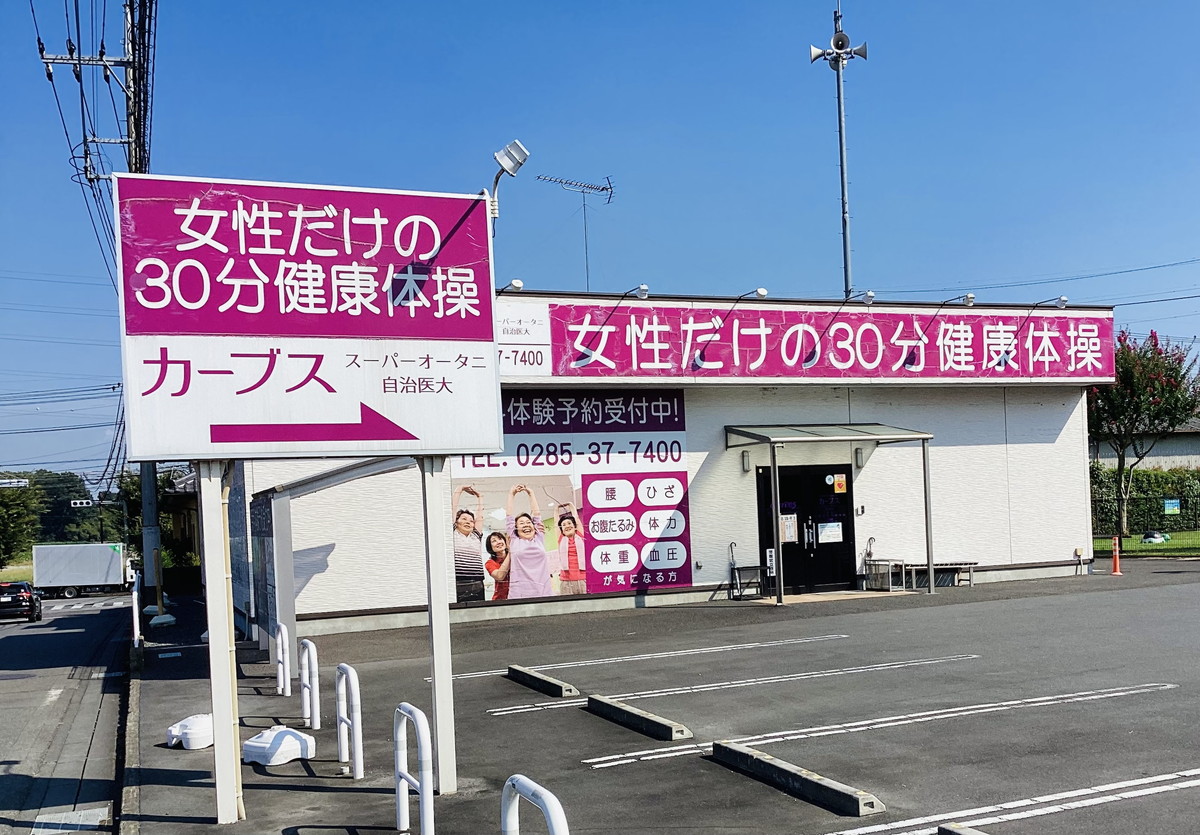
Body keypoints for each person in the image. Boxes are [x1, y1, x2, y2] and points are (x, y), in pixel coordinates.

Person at [506, 483, 553, 599]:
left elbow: (537, 515)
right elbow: (509, 516)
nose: (526, 525)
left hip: (543, 591)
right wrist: (511, 494)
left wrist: (531, 493)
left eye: (528, 522)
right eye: (521, 523)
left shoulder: (539, 538)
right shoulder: (514, 540)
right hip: (520, 593)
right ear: (516, 528)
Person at [451, 485, 486, 603]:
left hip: (477, 583)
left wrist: (480, 497)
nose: (468, 522)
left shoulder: (475, 536)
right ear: (456, 522)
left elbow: (480, 516)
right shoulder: (452, 534)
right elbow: (452, 509)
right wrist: (459, 489)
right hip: (457, 583)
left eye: (471, 521)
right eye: (464, 519)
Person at [555, 502, 587, 595]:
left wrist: (571, 505)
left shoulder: (580, 536)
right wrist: (556, 509)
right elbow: (556, 523)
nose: (567, 526)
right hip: (566, 581)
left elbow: (576, 518)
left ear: (574, 526)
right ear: (562, 530)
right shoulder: (561, 539)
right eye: (564, 525)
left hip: (583, 579)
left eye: (569, 523)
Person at [484, 531, 512, 601]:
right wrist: (510, 552)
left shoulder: (515, 557)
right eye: (494, 541)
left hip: (517, 597)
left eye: (500, 539)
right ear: (490, 547)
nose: (498, 542)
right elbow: (500, 576)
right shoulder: (490, 563)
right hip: (500, 600)